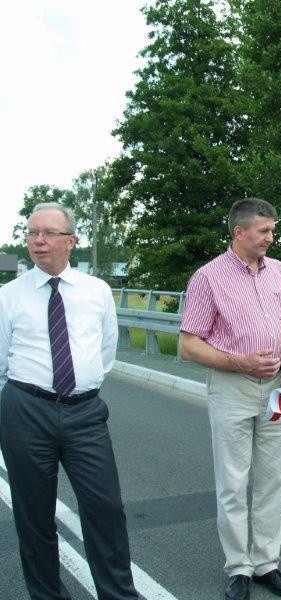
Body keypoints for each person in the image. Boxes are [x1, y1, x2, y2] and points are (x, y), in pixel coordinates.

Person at [0, 203, 138, 599]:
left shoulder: (97, 292)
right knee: (34, 516)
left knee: (106, 510)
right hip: (27, 410)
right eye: (31, 233)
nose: (38, 241)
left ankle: (118, 594)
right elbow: (2, 358)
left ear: (71, 241)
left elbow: (106, 350)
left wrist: (79, 386)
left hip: (85, 413)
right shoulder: (9, 296)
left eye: (47, 233)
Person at [180, 198, 281, 600]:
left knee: (275, 479)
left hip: (278, 391)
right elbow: (188, 346)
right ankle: (238, 567)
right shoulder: (208, 277)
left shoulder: (280, 272)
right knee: (233, 483)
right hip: (231, 388)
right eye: (264, 231)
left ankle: (266, 561)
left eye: (272, 230)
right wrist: (240, 363)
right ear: (239, 232)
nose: (271, 237)